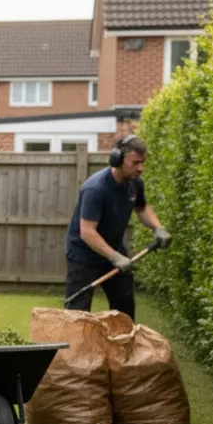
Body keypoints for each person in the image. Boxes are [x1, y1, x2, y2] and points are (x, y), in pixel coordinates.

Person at [64, 134, 171, 321]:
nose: (141, 168)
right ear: (117, 160)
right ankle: (73, 349)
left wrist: (158, 227)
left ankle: (124, 345)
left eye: (143, 162)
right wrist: (115, 257)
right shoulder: (96, 188)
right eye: (135, 163)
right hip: (84, 255)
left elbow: (142, 207)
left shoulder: (135, 183)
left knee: (124, 306)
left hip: (114, 249)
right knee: (77, 312)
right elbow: (87, 232)